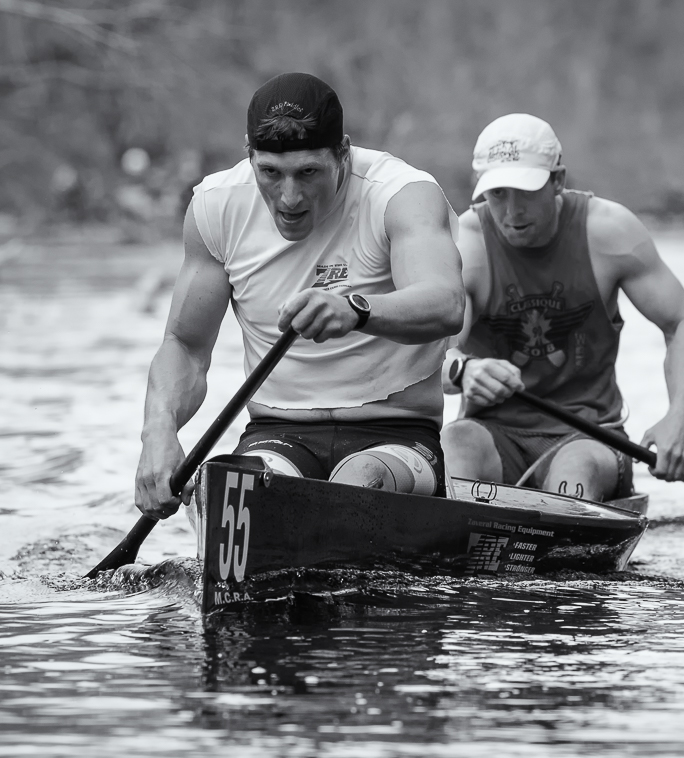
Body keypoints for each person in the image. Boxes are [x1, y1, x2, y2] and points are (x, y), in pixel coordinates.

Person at [135, 73, 465, 520]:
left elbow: (445, 305)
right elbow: (186, 349)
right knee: (228, 491)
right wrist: (158, 431)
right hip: (276, 432)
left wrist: (356, 310)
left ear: (343, 153)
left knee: (354, 483)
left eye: (308, 172)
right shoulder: (216, 207)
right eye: (270, 173)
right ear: (249, 155)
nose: (289, 197)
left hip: (396, 435)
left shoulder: (403, 195)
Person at [442, 113, 684, 502]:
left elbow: (682, 324)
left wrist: (680, 419)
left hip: (589, 435)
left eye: (526, 191)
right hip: (492, 434)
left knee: (573, 471)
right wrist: (463, 370)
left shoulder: (610, 232)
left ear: (558, 181)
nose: (512, 212)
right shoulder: (467, 245)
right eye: (498, 193)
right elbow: (429, 360)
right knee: (454, 441)